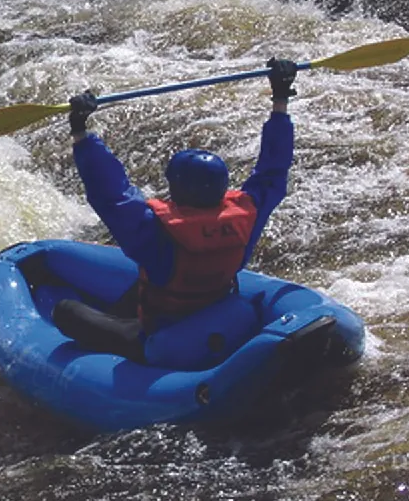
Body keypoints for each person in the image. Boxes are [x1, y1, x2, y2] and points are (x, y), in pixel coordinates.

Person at [53, 58, 299, 363]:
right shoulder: (248, 214)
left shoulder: (154, 232)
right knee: (135, 287)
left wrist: (81, 131)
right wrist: (280, 98)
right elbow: (273, 171)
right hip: (221, 314)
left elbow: (110, 193)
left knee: (65, 311)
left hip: (168, 338)